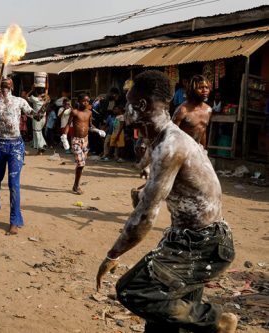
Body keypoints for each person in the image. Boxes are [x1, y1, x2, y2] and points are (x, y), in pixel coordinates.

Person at [96, 70, 237, 333]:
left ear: (141, 105)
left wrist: (112, 255)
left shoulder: (171, 145)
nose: (124, 108)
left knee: (132, 289)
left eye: (128, 102)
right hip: (187, 239)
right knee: (165, 319)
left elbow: (146, 216)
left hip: (204, 244)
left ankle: (215, 321)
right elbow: (157, 181)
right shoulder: (160, 139)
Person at [0, 78, 35, 235]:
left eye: (8, 84)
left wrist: (41, 112)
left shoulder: (19, 101)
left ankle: (15, 221)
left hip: (15, 146)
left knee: (14, 184)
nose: (6, 86)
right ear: (0, 87)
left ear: (12, 87)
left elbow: (35, 115)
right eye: (3, 84)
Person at [65, 93, 104, 195]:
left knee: (81, 165)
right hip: (76, 140)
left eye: (87, 101)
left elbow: (90, 125)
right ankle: (76, 186)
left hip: (85, 140)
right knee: (81, 164)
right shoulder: (74, 112)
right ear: (78, 101)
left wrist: (97, 130)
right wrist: (64, 136)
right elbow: (68, 124)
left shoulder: (89, 113)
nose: (86, 103)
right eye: (83, 101)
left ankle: (75, 185)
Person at [172, 75, 212, 146]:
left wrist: (203, 151)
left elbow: (203, 132)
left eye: (207, 87)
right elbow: (171, 135)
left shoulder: (208, 110)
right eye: (200, 88)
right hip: (182, 150)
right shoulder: (182, 110)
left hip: (197, 151)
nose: (205, 90)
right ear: (192, 90)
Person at [28, 86, 48, 154]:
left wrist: (31, 90)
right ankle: (41, 147)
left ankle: (41, 146)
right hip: (43, 118)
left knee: (37, 132)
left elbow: (26, 96)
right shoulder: (46, 99)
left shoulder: (34, 99)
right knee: (39, 131)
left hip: (37, 118)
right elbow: (46, 94)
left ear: (36, 92)